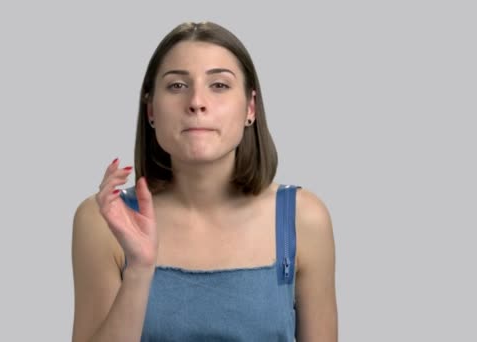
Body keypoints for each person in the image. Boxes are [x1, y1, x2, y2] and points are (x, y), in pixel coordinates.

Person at [71, 21, 337, 342]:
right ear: (151, 110)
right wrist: (139, 271)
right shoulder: (102, 221)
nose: (197, 102)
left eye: (220, 85)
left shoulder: (303, 219)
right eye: (177, 86)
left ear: (250, 107)